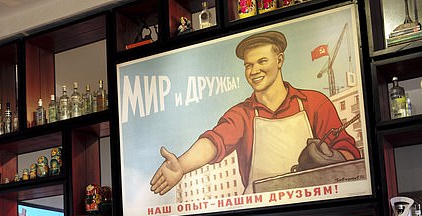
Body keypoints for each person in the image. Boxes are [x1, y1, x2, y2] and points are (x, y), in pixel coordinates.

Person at [150, 30, 361, 196]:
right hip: (260, 206)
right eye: (248, 65)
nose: (254, 71)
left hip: (311, 201)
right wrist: (182, 166)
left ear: (279, 60)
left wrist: (333, 159)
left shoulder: (315, 102)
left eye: (262, 61)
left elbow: (349, 150)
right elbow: (215, 142)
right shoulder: (242, 114)